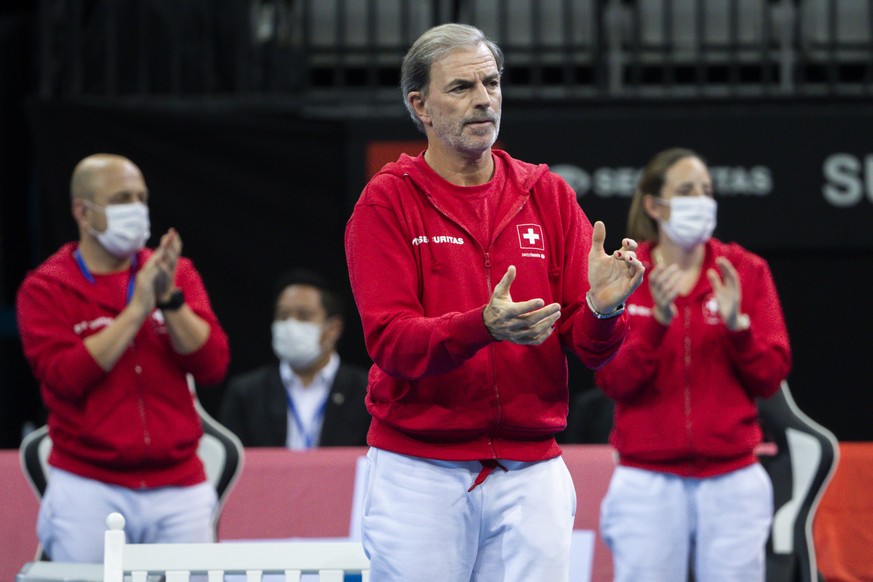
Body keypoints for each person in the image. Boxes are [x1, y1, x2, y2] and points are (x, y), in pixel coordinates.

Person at [344, 23, 645, 581]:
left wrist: (604, 310)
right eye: (461, 87)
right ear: (421, 105)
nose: (484, 99)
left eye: (492, 83)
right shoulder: (387, 201)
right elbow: (390, 342)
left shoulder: (546, 193)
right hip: (419, 469)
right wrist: (481, 325)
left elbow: (594, 351)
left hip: (532, 469)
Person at [16, 153, 230, 562]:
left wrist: (168, 300)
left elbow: (213, 364)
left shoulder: (175, 273)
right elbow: (63, 378)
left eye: (141, 197)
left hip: (179, 485)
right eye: (121, 198)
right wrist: (136, 311)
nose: (136, 209)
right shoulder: (45, 288)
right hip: (88, 485)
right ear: (83, 211)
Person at [594, 147, 792, 581]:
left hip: (733, 479)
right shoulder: (626, 274)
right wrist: (657, 325)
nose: (701, 200)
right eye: (686, 191)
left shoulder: (744, 270)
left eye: (706, 190)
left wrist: (739, 328)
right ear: (653, 204)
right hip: (647, 480)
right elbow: (612, 380)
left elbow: (770, 376)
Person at [219, 269, 370, 448]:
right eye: (283, 315)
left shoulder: (366, 392)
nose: (290, 325)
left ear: (333, 329)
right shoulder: (246, 393)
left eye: (304, 316)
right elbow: (231, 461)